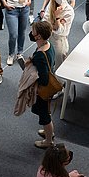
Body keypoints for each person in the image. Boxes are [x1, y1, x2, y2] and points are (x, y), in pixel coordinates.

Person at [30, 20, 56, 149]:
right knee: (46, 112)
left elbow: (44, 78)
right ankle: (48, 132)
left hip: (43, 90)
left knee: (44, 115)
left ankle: (48, 141)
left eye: (33, 32)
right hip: (50, 87)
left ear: (38, 36)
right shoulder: (49, 45)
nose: (31, 33)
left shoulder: (40, 55)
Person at [42, 0, 74, 71]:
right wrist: (55, 24)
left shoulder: (69, 11)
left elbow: (60, 31)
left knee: (59, 68)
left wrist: (56, 17)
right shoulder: (51, 5)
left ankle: (60, 83)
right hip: (49, 38)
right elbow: (45, 22)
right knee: (46, 63)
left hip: (60, 41)